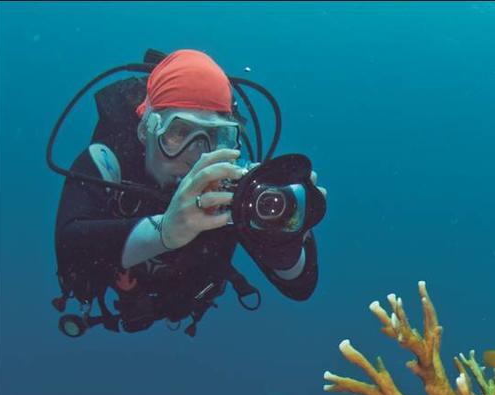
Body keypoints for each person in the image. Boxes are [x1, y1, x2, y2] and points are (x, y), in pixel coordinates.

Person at [53, 49, 324, 336]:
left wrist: (286, 239)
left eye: (218, 136)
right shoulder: (109, 159)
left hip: (187, 298)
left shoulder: (229, 183)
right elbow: (68, 246)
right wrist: (166, 231)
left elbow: (300, 287)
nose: (197, 155)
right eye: (179, 133)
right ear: (147, 130)